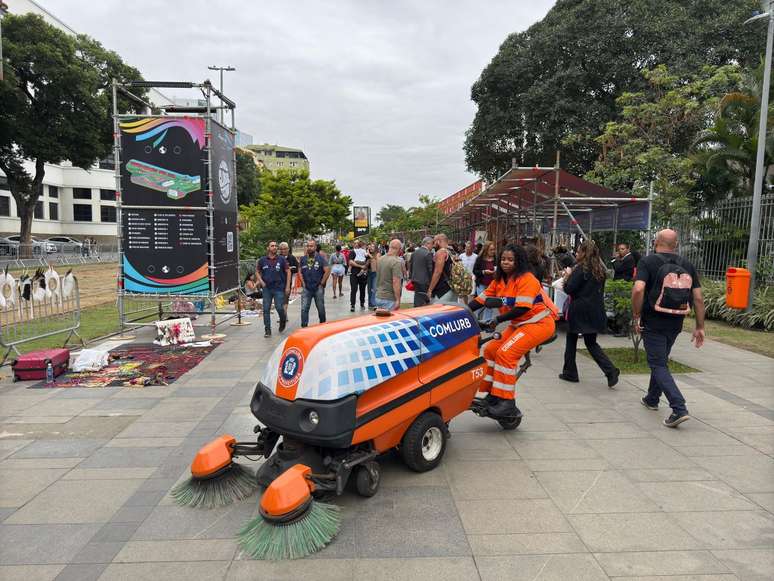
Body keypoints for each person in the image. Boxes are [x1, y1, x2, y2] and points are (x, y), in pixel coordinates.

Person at [468, 244, 557, 417]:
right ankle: (493, 395)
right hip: (519, 324)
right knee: (491, 350)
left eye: (510, 260)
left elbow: (522, 308)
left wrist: (497, 319)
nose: (505, 263)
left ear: (519, 261)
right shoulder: (499, 280)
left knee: (506, 354)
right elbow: (481, 300)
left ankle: (507, 402)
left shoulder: (527, 279)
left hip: (538, 323)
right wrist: (460, 311)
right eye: (503, 259)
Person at [632, 229, 705, 428]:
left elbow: (638, 289)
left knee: (657, 364)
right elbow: (698, 298)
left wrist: (636, 314)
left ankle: (679, 408)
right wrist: (699, 326)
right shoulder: (687, 265)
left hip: (653, 321)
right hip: (675, 322)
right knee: (660, 361)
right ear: (677, 245)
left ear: (656, 242)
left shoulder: (647, 262)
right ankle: (652, 398)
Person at [559, 240, 620, 388]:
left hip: (579, 309)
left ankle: (570, 372)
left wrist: (567, 276)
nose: (577, 254)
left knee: (571, 339)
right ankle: (610, 371)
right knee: (591, 342)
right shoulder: (600, 270)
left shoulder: (580, 269)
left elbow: (569, 289)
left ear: (584, 253)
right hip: (595, 309)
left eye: (579, 251)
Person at [256, 241, 290, 338]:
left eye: (276, 246)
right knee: (266, 309)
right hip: (267, 288)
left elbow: (288, 272)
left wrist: (287, 286)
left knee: (279, 307)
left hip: (279, 287)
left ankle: (282, 320)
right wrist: (261, 281)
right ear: (268, 248)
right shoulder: (262, 260)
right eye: (272, 246)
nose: (274, 247)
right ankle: (267, 330)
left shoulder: (282, 259)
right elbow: (257, 272)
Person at [299, 239, 330, 327]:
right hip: (306, 288)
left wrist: (322, 283)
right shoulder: (303, 259)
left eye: (311, 246)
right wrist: (303, 283)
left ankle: (323, 325)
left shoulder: (321, 258)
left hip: (318, 288)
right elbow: (300, 271)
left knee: (320, 308)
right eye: (308, 246)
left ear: (315, 247)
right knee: (304, 308)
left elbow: (327, 270)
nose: (309, 248)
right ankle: (304, 327)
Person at [427, 233, 457, 304]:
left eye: (434, 242)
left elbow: (438, 272)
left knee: (438, 313)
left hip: (443, 290)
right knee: (450, 313)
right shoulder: (452, 251)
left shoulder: (441, 252)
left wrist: (430, 290)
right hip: (453, 287)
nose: (433, 245)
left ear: (438, 241)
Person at [374, 239, 404, 310]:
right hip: (389, 298)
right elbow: (396, 282)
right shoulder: (396, 262)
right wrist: (398, 300)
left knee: (382, 320)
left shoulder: (380, 259)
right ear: (399, 249)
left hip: (379, 296)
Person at [473, 241, 497, 322]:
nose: (493, 251)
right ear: (486, 250)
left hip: (492, 286)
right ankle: (476, 320)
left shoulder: (496, 258)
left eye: (494, 250)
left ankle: (487, 323)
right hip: (482, 285)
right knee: (481, 303)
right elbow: (475, 271)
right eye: (491, 250)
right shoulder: (480, 259)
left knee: (490, 305)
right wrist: (484, 272)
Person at [410, 236, 434, 307]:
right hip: (425, 281)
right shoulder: (428, 253)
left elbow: (411, 266)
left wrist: (411, 277)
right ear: (427, 243)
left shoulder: (415, 252)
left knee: (417, 298)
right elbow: (430, 269)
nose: (432, 246)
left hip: (415, 279)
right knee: (424, 300)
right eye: (432, 244)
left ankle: (416, 311)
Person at [348, 240, 369, 311]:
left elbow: (367, 261)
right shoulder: (352, 252)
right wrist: (361, 266)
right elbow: (350, 262)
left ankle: (362, 303)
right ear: (353, 244)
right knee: (354, 289)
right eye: (355, 243)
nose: (356, 244)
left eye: (358, 243)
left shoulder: (364, 251)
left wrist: (364, 267)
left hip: (363, 273)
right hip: (354, 273)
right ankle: (352, 305)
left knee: (362, 289)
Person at [279, 242, 299, 310]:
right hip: (278, 281)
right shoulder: (277, 258)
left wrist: (289, 269)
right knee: (279, 299)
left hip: (288, 282)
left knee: (285, 298)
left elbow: (296, 269)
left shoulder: (292, 258)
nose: (283, 251)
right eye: (281, 249)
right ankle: (282, 315)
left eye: (284, 249)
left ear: (288, 249)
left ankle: (284, 315)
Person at [366, 242, 379, 309]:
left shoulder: (378, 254)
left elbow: (378, 261)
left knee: (374, 289)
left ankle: (374, 304)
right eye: (370, 246)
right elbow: (367, 264)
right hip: (369, 273)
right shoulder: (369, 255)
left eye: (372, 246)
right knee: (369, 289)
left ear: (376, 248)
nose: (371, 247)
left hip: (376, 273)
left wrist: (369, 255)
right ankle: (370, 304)